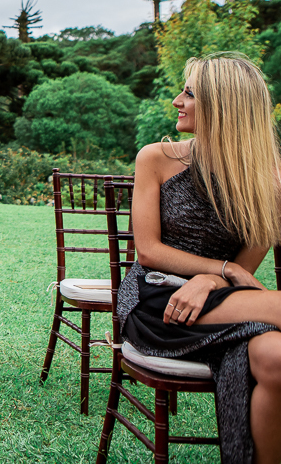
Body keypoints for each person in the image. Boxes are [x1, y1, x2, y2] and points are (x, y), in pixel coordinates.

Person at [116, 54, 281, 464]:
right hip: (156, 299)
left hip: (217, 301)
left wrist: (210, 280)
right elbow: (149, 251)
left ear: (223, 105)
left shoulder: (269, 180)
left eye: (189, 93)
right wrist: (219, 269)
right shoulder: (155, 157)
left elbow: (245, 271)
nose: (176, 100)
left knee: (276, 360)